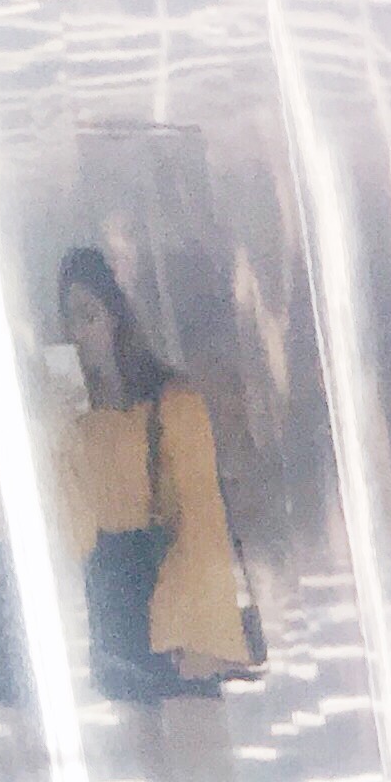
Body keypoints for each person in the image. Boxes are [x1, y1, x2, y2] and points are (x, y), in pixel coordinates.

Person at [54, 248, 260, 707]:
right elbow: (73, 532)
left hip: (173, 598)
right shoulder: (77, 421)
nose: (77, 334)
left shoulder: (173, 403)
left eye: (89, 315)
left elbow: (201, 523)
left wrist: (199, 633)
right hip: (110, 602)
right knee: (140, 742)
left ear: (117, 317)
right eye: (68, 320)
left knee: (196, 738)